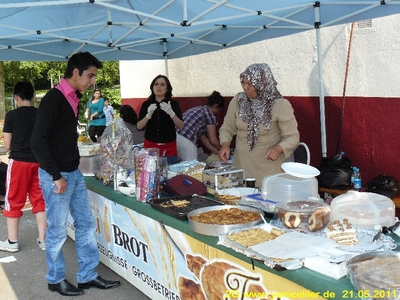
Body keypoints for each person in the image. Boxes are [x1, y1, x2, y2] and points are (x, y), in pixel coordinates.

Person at [30, 52, 120, 297]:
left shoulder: (74, 97)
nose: (93, 81)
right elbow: (37, 142)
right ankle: (55, 279)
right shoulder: (53, 99)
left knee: (85, 224)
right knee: (57, 230)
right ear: (76, 72)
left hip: (74, 172)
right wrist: (56, 175)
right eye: (90, 75)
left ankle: (87, 275)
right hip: (56, 176)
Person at [218, 63, 300, 186]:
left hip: (268, 171)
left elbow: (293, 136)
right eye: (243, 83)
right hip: (241, 167)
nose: (245, 87)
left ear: (261, 84)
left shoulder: (280, 104)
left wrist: (278, 148)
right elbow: (227, 128)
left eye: (249, 84)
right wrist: (225, 144)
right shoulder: (238, 100)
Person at [0, 81, 46, 253]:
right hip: (39, 162)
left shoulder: (11, 116)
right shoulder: (41, 114)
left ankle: (12, 242)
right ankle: (43, 240)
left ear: (16, 97)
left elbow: (8, 144)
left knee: (13, 200)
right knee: (39, 199)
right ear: (34, 97)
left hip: (19, 162)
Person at [137, 75, 184, 156]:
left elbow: (181, 126)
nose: (159, 87)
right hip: (150, 146)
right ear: (152, 87)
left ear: (167, 88)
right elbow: (139, 127)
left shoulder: (173, 104)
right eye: (156, 84)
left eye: (162, 84)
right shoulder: (147, 104)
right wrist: (148, 116)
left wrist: (171, 113)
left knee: (169, 168)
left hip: (169, 146)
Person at [176, 91, 225, 161]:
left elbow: (204, 139)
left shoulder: (198, 109)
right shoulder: (209, 115)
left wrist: (215, 151)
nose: (218, 113)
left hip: (175, 138)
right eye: (219, 110)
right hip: (186, 140)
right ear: (216, 106)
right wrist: (223, 148)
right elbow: (213, 140)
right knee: (191, 168)